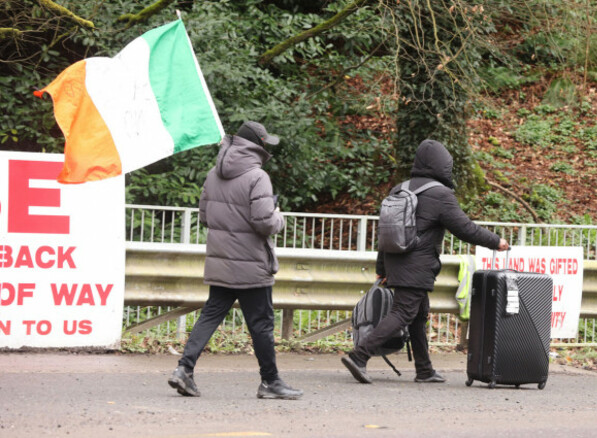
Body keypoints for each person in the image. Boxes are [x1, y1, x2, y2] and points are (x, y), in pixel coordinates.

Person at [341, 139, 509, 384]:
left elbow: (386, 233)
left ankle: (424, 369)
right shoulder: (440, 194)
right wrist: (496, 241)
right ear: (442, 166)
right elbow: (465, 228)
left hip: (397, 261)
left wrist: (382, 268)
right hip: (417, 265)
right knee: (402, 312)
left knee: (418, 315)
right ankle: (359, 355)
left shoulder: (400, 189)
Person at [168, 121, 303, 400]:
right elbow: (265, 221)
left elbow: (205, 217)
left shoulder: (212, 174)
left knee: (210, 315)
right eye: (266, 143)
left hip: (221, 261)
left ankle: (184, 369)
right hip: (251, 264)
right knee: (262, 324)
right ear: (257, 145)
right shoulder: (257, 176)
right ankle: (270, 382)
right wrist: (279, 217)